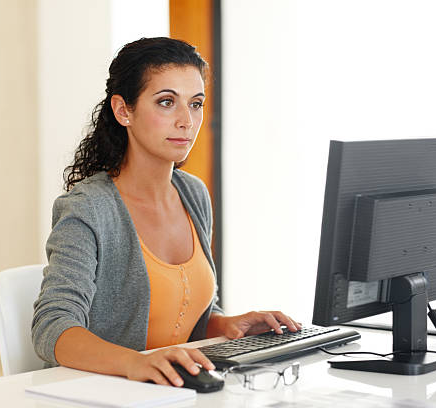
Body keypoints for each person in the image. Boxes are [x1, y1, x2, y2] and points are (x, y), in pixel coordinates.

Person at [32, 37, 301, 387]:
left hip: (169, 392)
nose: (186, 121)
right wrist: (136, 364)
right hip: (99, 393)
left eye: (196, 104)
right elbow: (52, 328)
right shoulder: (88, 208)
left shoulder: (193, 194)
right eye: (166, 102)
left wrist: (227, 324)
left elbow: (183, 313)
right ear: (123, 110)